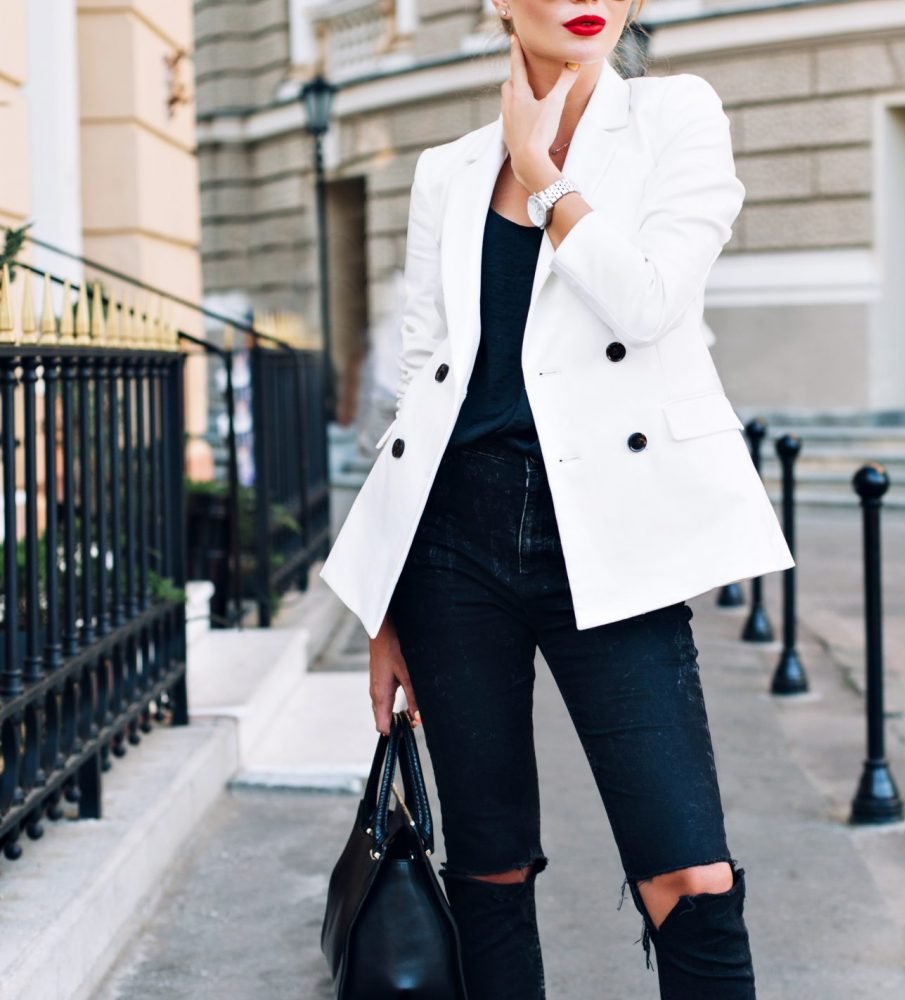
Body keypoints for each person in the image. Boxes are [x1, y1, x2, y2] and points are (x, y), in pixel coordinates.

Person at [317, 0, 795, 994]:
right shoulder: (445, 170)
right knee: (489, 869)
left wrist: (544, 179)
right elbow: (421, 381)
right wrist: (387, 603)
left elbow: (652, 299)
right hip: (451, 550)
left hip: (609, 538)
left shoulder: (675, 118)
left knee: (688, 875)